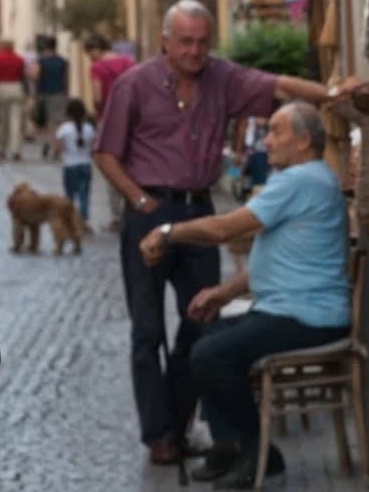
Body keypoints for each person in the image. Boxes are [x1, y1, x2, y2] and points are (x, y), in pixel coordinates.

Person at [93, 0, 342, 466]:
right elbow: (106, 152)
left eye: (203, 41)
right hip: (148, 210)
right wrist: (139, 200)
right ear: (166, 39)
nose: (194, 51)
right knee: (147, 331)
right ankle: (159, 436)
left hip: (198, 211)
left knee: (198, 320)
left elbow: (279, 85)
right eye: (185, 41)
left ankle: (179, 424)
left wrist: (332, 95)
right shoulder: (133, 85)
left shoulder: (223, 78)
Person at [138, 102, 351, 488]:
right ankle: (228, 446)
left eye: (276, 131)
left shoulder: (299, 180)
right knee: (204, 335)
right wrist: (223, 292)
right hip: (290, 308)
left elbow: (226, 229)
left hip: (306, 316)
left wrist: (168, 232)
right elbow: (280, 263)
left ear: (303, 141)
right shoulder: (313, 177)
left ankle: (261, 456)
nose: (266, 141)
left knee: (210, 354)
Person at [83, 33, 136, 231]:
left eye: (89, 54)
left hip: (109, 120)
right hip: (132, 119)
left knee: (111, 166)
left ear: (94, 50)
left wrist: (99, 114)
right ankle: (132, 209)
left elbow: (97, 97)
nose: (90, 58)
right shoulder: (128, 61)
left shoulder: (98, 68)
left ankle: (116, 216)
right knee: (131, 164)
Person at [54, 98, 96, 222]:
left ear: (68, 113)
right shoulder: (89, 128)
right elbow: (94, 147)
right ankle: (83, 221)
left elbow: (58, 147)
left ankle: (70, 220)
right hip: (86, 164)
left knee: (70, 196)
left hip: (69, 165)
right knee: (84, 195)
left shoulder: (64, 128)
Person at [0, 39, 26, 161]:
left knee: (2, 121)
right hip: (16, 87)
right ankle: (16, 150)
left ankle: (1, 148)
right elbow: (23, 75)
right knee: (16, 121)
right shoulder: (19, 59)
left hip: (2, 88)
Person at [36, 36, 69, 159]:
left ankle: (47, 143)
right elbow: (66, 79)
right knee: (59, 121)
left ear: (46, 46)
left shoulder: (42, 61)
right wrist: (66, 93)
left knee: (47, 122)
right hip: (59, 93)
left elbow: (38, 77)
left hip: (45, 93)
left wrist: (37, 94)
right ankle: (57, 148)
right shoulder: (62, 61)